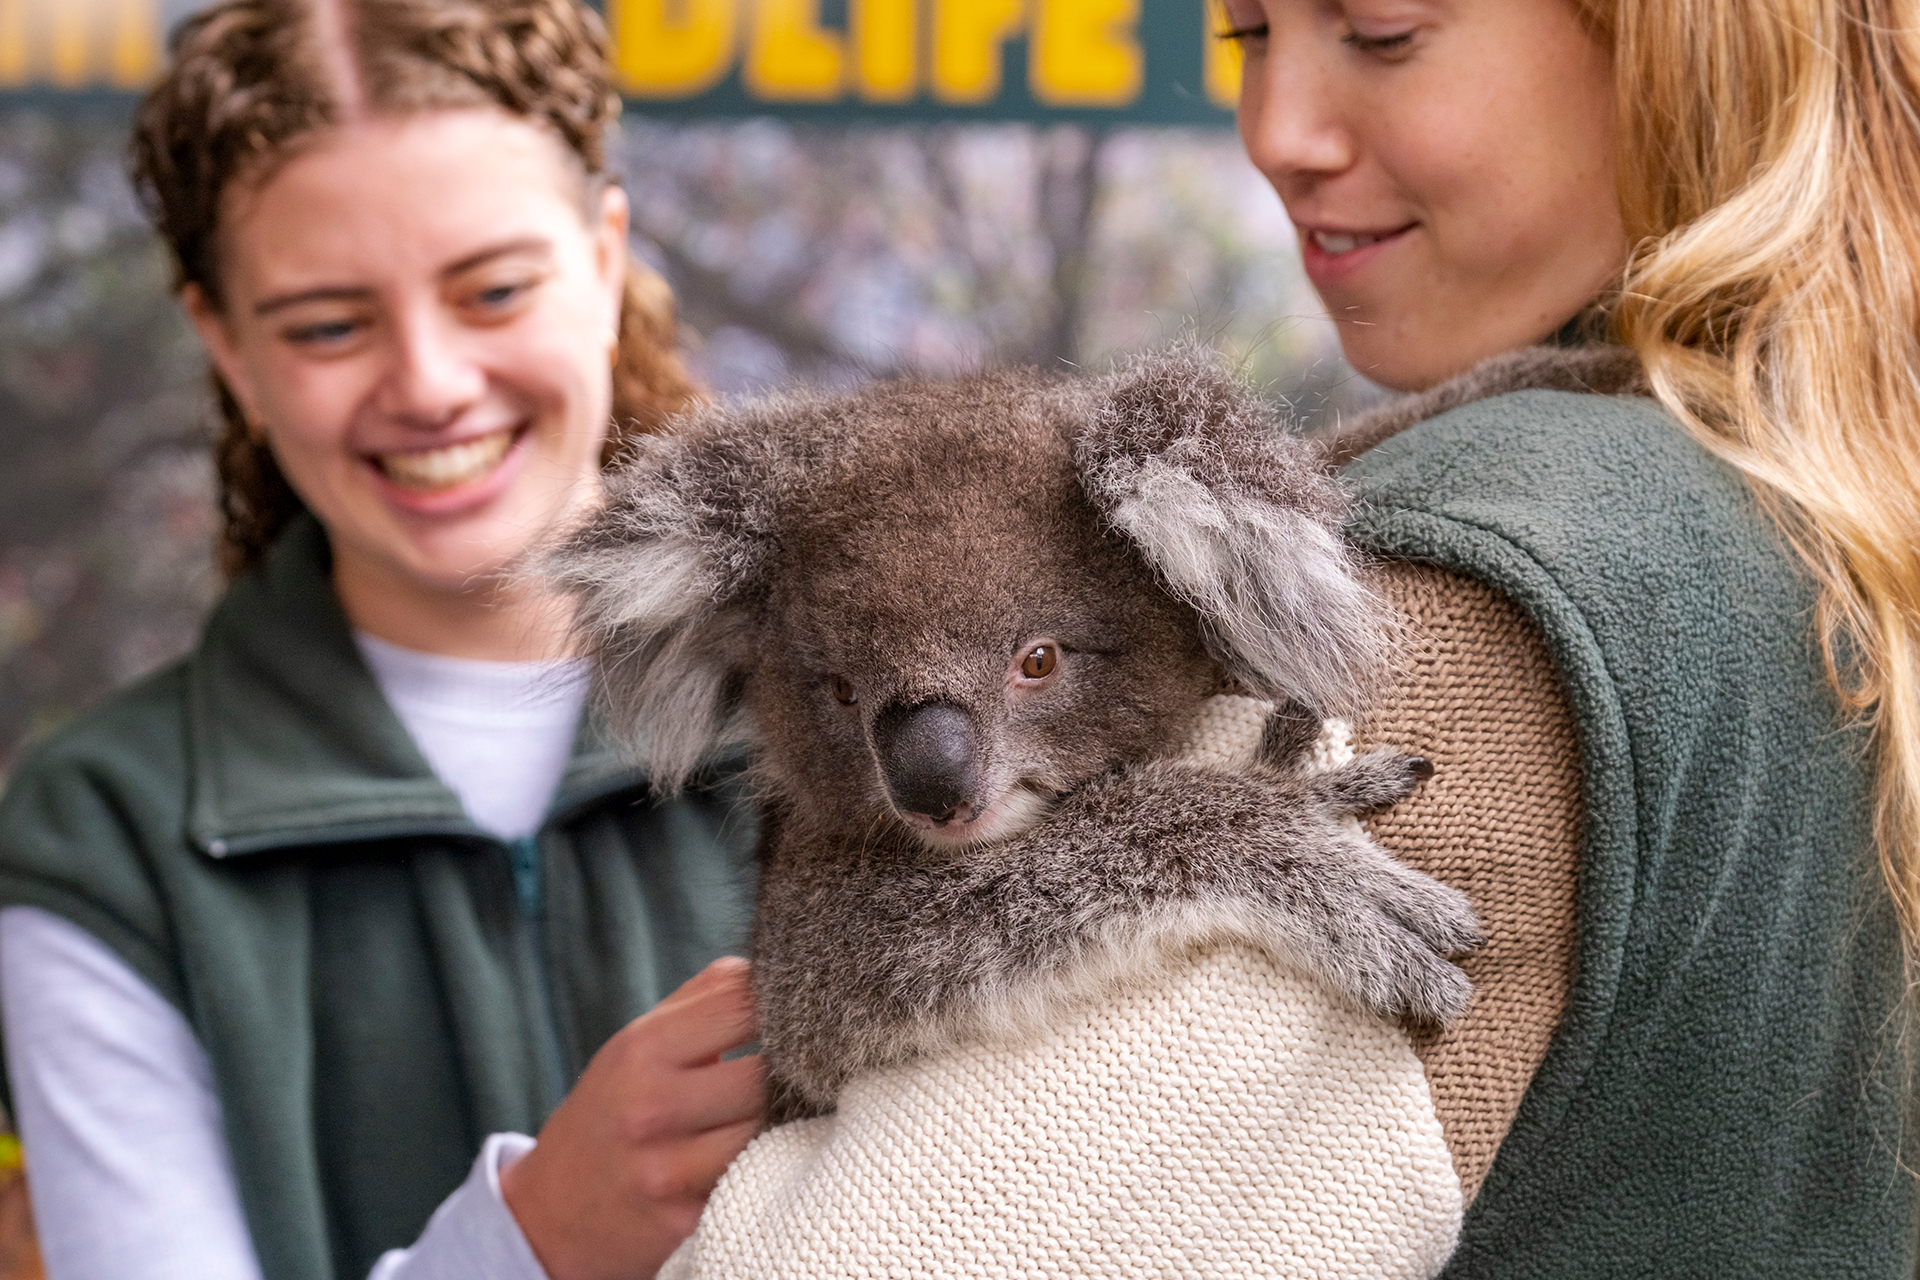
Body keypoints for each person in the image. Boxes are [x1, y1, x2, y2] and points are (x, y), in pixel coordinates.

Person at [0, 2, 772, 1279]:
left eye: (494, 288)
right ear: (226, 346)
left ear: (603, 256)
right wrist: (534, 1237)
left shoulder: (874, 720)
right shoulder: (105, 843)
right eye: (325, 325)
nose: (428, 380)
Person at [1216, 0, 1916, 1271]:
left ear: (1686, 40)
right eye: (1242, 34)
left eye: (1381, 34)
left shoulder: (1467, 587)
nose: (1276, 129)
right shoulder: (1843, 503)